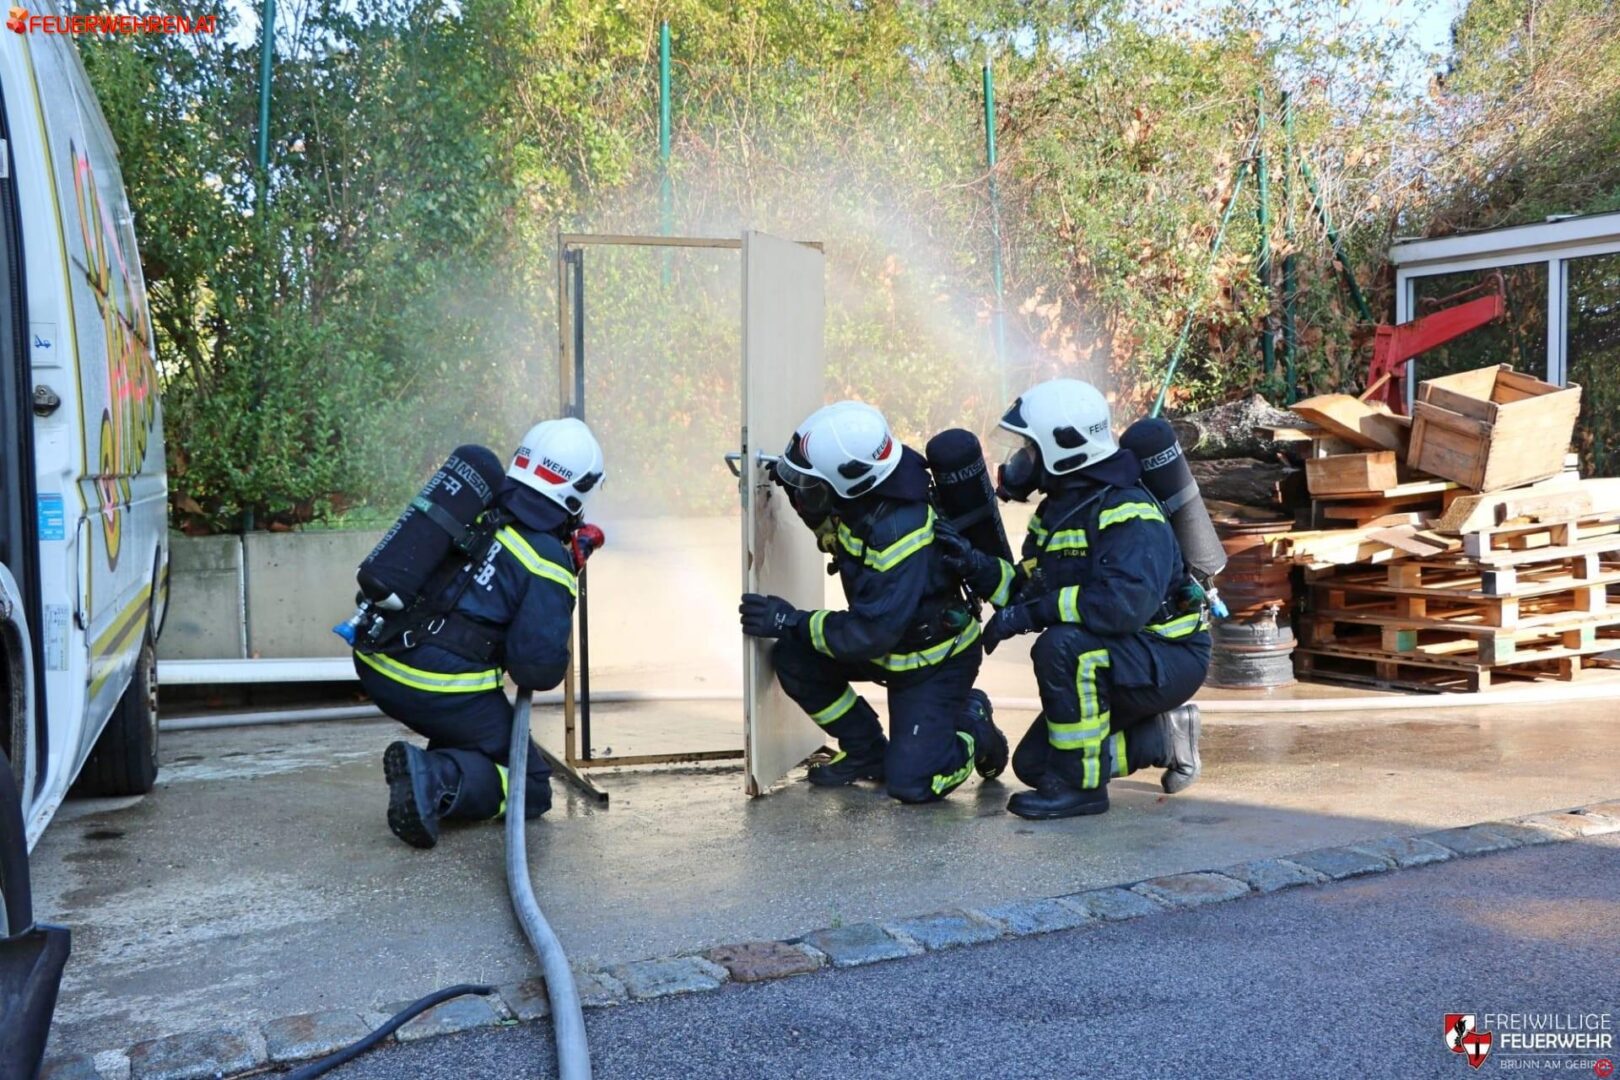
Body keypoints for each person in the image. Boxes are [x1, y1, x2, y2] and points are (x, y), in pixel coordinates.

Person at [941, 378, 1208, 820]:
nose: (1020, 461)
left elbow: (1121, 607)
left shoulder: (1128, 510)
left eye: (1029, 449)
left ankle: (1082, 792)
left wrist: (1027, 617)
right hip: (1124, 654)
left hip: (1168, 654)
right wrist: (974, 564)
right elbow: (1027, 589)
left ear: (1064, 448)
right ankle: (1164, 737)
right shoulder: (1058, 510)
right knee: (1036, 766)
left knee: (1062, 646)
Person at [737, 401, 1008, 803]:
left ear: (849, 482)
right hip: (892, 645)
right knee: (795, 657)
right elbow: (847, 543)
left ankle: (973, 721)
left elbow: (868, 634)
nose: (803, 496)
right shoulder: (867, 496)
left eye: (812, 487)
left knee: (912, 785)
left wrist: (789, 620)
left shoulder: (899, 531)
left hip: (933, 662)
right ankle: (866, 751)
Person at [353, 418, 604, 848]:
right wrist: (564, 584)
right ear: (578, 492)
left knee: (482, 740)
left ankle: (433, 768)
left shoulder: (479, 508)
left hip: (377, 652)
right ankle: (435, 778)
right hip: (432, 683)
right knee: (533, 786)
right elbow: (537, 670)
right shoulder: (546, 561)